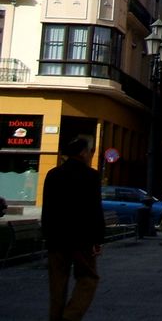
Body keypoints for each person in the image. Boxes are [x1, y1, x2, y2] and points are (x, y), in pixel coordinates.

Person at [41, 137, 104, 321]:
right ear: (83, 153)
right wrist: (98, 239)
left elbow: (48, 208)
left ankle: (55, 317)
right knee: (88, 278)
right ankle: (70, 316)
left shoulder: (53, 174)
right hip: (82, 239)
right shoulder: (91, 176)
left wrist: (47, 234)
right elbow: (95, 209)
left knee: (57, 284)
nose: (91, 155)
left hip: (56, 239)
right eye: (90, 152)